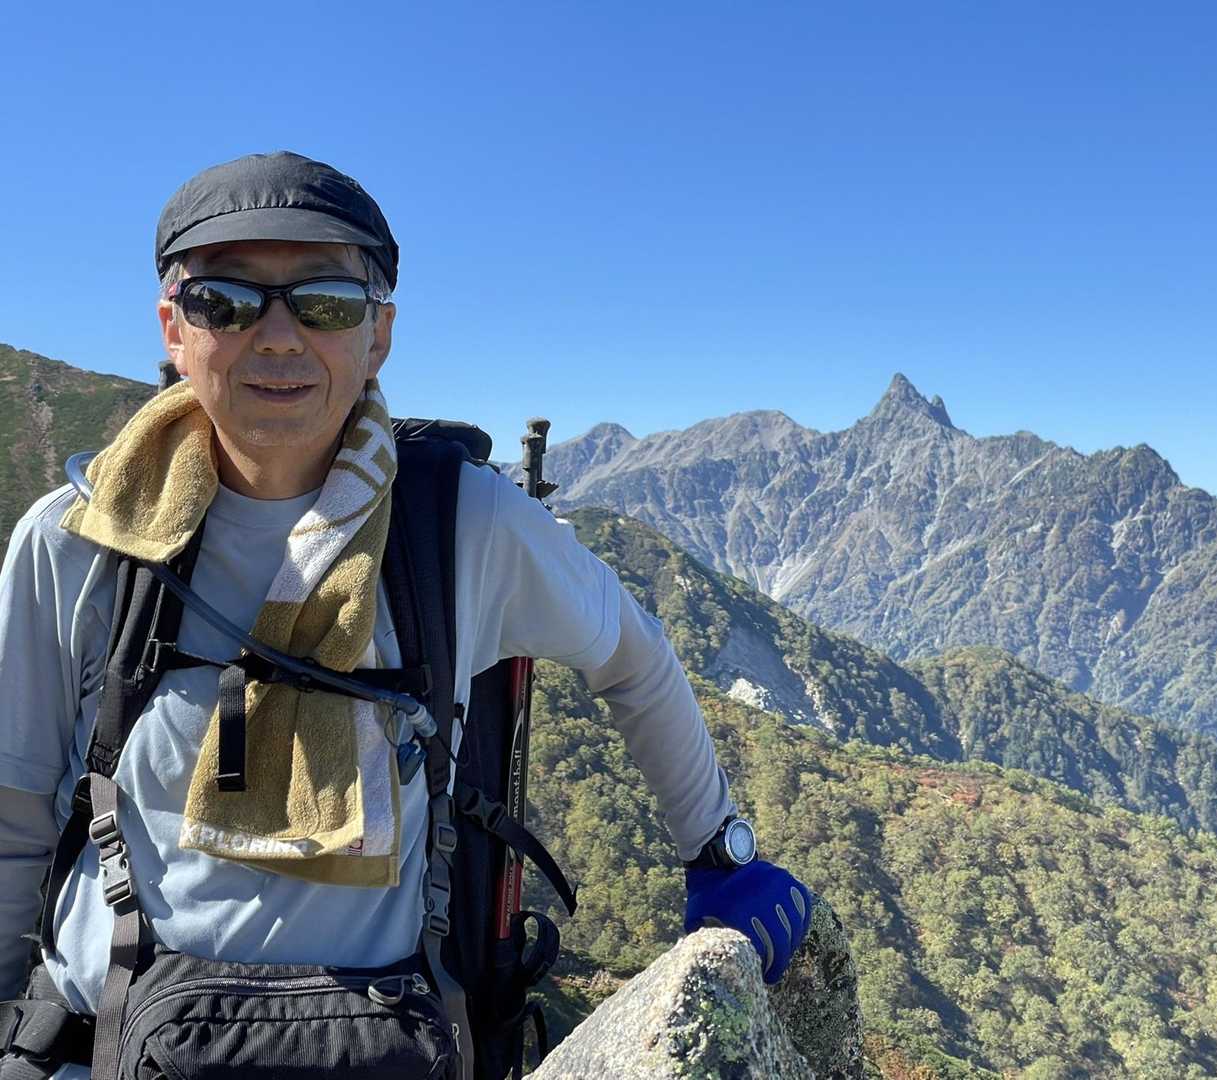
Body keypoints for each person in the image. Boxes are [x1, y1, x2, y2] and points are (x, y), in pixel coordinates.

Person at [0, 151, 812, 1078]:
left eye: (325, 302)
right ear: (173, 329)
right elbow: (15, 813)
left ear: (377, 335)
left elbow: (633, 655)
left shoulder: (460, 523)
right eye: (226, 301)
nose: (278, 336)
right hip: (104, 1046)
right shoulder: (80, 537)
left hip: (374, 1049)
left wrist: (718, 852)